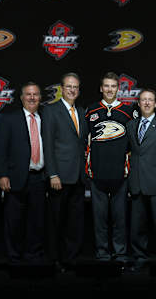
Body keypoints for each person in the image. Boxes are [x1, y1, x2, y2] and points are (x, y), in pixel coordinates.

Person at [85, 72, 136, 263]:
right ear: (101, 88)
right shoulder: (90, 110)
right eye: (106, 86)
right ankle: (102, 253)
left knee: (120, 219)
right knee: (99, 220)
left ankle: (120, 254)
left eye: (113, 86)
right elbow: (84, 141)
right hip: (97, 175)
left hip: (120, 175)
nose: (109, 89)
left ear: (118, 88)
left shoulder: (128, 111)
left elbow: (135, 143)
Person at [0, 82, 47, 263]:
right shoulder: (9, 119)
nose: (32, 97)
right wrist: (2, 175)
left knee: (37, 221)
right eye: (28, 94)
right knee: (13, 221)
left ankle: (34, 255)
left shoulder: (45, 118)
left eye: (35, 94)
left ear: (40, 98)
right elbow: (0, 150)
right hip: (15, 178)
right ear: (21, 97)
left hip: (39, 177)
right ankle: (14, 256)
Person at [42, 72, 88, 271]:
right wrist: (52, 173)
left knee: (74, 222)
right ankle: (55, 259)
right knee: (56, 221)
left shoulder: (82, 111)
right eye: (69, 86)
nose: (72, 90)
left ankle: (72, 259)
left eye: (75, 87)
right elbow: (48, 145)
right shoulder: (51, 111)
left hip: (78, 176)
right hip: (59, 177)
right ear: (61, 88)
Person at [126, 89, 156, 270]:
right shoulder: (131, 125)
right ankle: (139, 257)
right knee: (137, 226)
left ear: (155, 104)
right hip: (137, 182)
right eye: (143, 100)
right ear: (138, 104)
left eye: (150, 100)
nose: (146, 103)